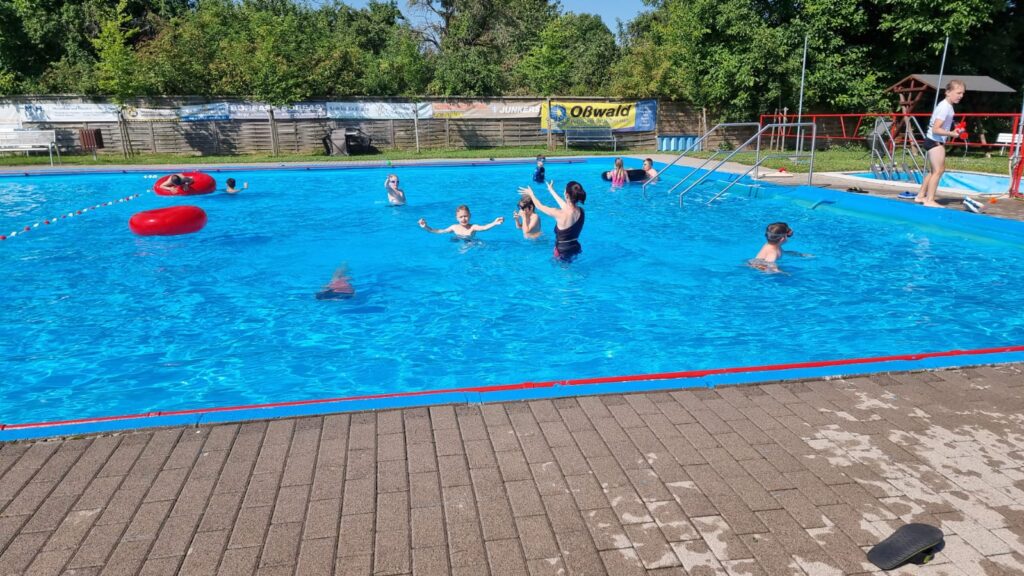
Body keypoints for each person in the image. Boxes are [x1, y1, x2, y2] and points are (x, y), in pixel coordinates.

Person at [915, 80, 967, 208]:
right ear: (948, 92)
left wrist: (955, 129)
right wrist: (952, 134)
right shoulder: (945, 107)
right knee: (938, 171)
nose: (960, 96)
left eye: (962, 93)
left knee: (934, 171)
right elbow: (936, 129)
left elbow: (941, 124)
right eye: (958, 93)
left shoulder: (947, 106)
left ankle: (921, 196)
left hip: (931, 140)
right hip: (935, 141)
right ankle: (930, 200)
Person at [517, 180, 586, 262]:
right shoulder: (581, 211)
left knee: (563, 273)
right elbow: (565, 205)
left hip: (562, 252)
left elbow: (539, 206)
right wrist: (551, 190)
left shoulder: (559, 213)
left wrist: (531, 194)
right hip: (576, 248)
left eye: (564, 190)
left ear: (566, 195)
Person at [418, 205, 503, 239]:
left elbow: (484, 228)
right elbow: (439, 231)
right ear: (457, 218)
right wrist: (425, 226)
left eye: (465, 216)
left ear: (470, 216)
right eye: (461, 217)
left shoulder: (473, 227)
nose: (463, 219)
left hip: (470, 243)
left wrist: (494, 223)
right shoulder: (454, 227)